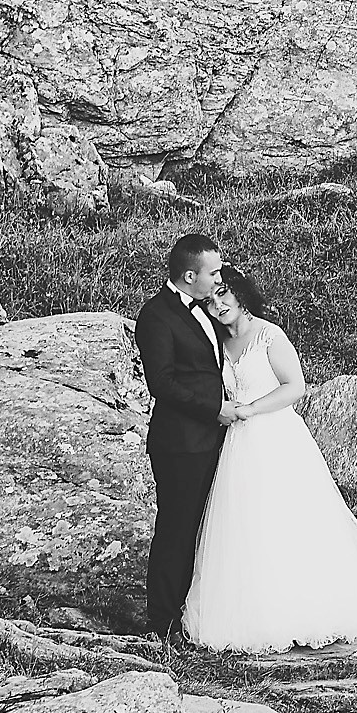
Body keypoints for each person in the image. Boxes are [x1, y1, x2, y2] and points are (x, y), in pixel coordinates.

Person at [180, 271, 357, 652]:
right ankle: (257, 608)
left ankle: (309, 603)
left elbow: (294, 387)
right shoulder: (217, 343)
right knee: (246, 523)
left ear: (241, 295)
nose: (219, 306)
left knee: (291, 518)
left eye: (224, 295)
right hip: (238, 444)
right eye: (211, 301)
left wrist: (250, 409)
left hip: (276, 435)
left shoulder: (269, 335)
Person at [132, 232, 239, 646]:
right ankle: (161, 622)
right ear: (190, 274)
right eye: (213, 272)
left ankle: (200, 612)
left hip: (215, 439)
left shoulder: (210, 310)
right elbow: (163, 383)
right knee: (177, 529)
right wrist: (214, 410)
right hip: (181, 443)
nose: (220, 278)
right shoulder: (157, 316)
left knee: (210, 527)